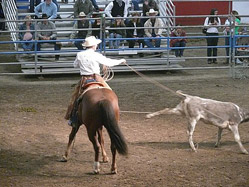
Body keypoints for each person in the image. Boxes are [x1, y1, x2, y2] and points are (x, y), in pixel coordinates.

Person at [65, 36, 126, 126]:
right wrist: (121, 61)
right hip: (97, 78)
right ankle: (114, 113)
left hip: (85, 79)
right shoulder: (96, 55)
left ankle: (73, 118)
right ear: (94, 46)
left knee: (76, 98)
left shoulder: (79, 55)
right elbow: (109, 62)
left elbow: (75, 65)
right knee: (110, 92)